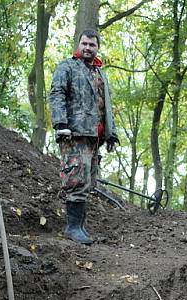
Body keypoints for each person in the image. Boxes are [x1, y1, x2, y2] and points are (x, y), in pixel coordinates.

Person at [49, 29, 119, 245]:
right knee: (76, 179)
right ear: (78, 45)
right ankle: (72, 228)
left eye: (92, 45)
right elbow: (57, 93)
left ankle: (79, 226)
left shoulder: (100, 73)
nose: (88, 48)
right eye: (85, 44)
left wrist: (111, 134)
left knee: (88, 182)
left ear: (98, 48)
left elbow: (106, 106)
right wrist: (60, 123)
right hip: (75, 133)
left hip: (94, 137)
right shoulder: (67, 67)